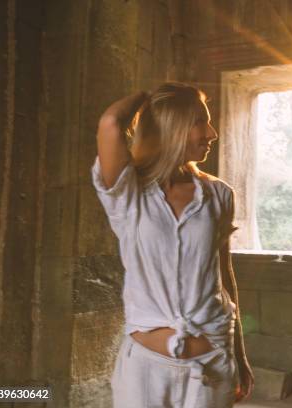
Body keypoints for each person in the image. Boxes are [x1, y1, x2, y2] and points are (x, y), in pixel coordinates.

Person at [91, 82, 254, 407]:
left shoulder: (219, 195)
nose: (211, 132)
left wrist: (240, 357)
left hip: (212, 366)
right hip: (144, 372)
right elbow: (111, 122)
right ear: (170, 125)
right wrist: (151, 98)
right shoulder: (129, 192)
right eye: (198, 121)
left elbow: (224, 276)